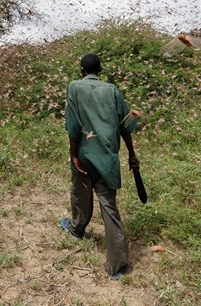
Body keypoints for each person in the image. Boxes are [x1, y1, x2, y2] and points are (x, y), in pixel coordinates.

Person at [61, 53, 139, 280]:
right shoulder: (113, 90)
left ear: (81, 69)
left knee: (80, 192)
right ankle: (117, 266)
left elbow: (73, 125)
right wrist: (132, 154)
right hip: (107, 157)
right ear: (100, 70)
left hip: (85, 153)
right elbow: (126, 124)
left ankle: (76, 228)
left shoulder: (74, 87)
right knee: (109, 207)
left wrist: (73, 154)